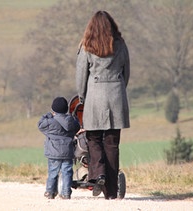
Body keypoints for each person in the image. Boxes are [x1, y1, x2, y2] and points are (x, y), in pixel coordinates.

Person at [76, 10, 130, 200]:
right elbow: (127, 71)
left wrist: (82, 97)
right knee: (112, 143)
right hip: (116, 96)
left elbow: (81, 75)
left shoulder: (87, 46)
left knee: (93, 139)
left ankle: (98, 174)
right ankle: (111, 192)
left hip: (95, 97)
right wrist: (119, 91)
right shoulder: (120, 45)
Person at [38, 97, 81, 200]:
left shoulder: (50, 122)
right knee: (67, 172)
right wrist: (73, 118)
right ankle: (66, 193)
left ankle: (50, 191)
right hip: (67, 152)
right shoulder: (70, 121)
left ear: (53, 110)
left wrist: (47, 115)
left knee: (53, 172)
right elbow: (77, 127)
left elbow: (40, 125)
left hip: (53, 152)